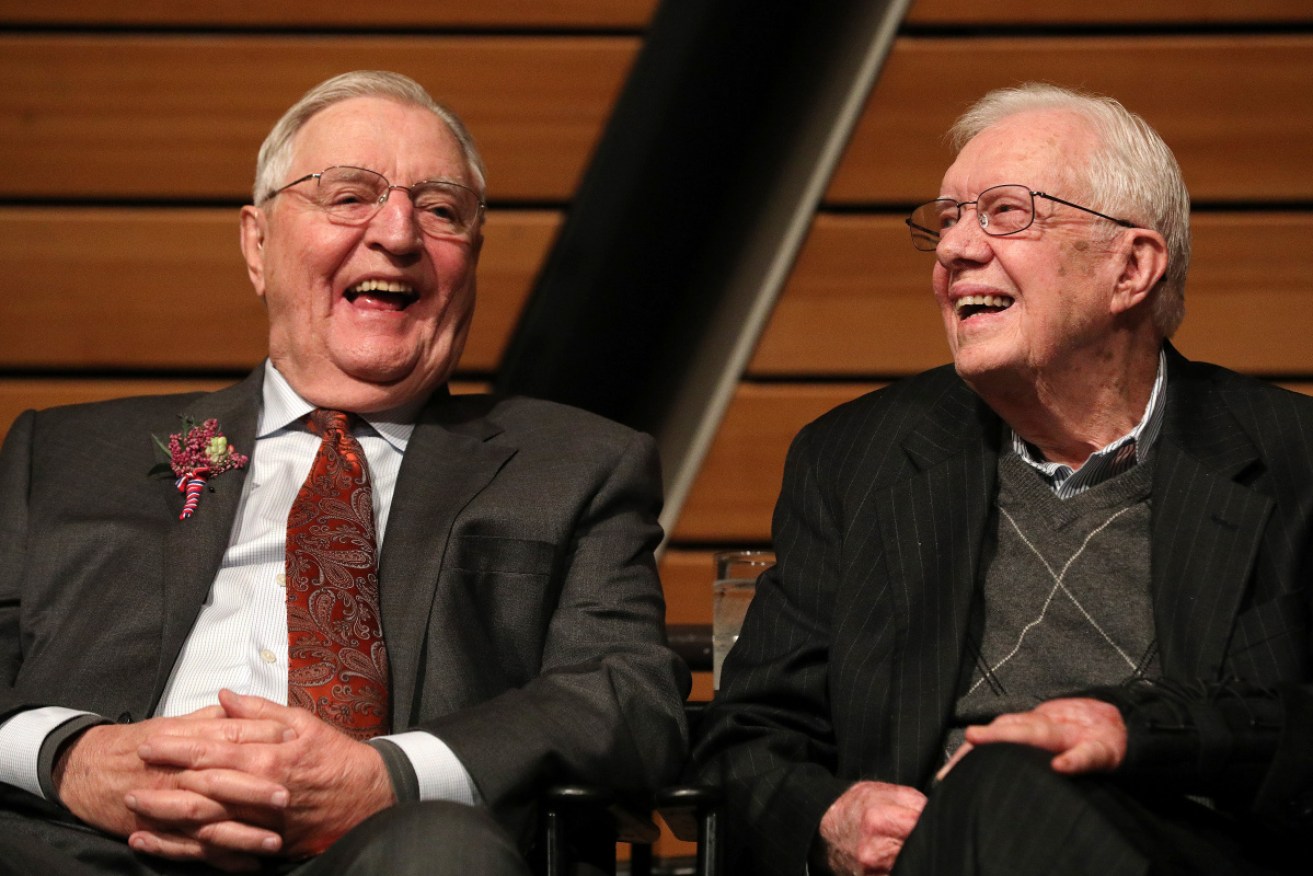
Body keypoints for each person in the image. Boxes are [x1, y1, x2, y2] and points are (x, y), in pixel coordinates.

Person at [0, 70, 689, 875]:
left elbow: (629, 699)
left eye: (440, 210)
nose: (398, 234)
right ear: (257, 244)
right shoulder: (69, 454)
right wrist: (70, 756)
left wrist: (387, 777)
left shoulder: (573, 466)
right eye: (348, 195)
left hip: (385, 852)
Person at [691, 82, 1313, 876]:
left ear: (1130, 267)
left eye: (1005, 213)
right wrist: (828, 817)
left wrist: (1132, 732)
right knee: (986, 790)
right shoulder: (855, 458)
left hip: (1180, 851)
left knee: (1000, 779)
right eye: (946, 218)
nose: (954, 248)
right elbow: (746, 737)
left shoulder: (1291, 459)